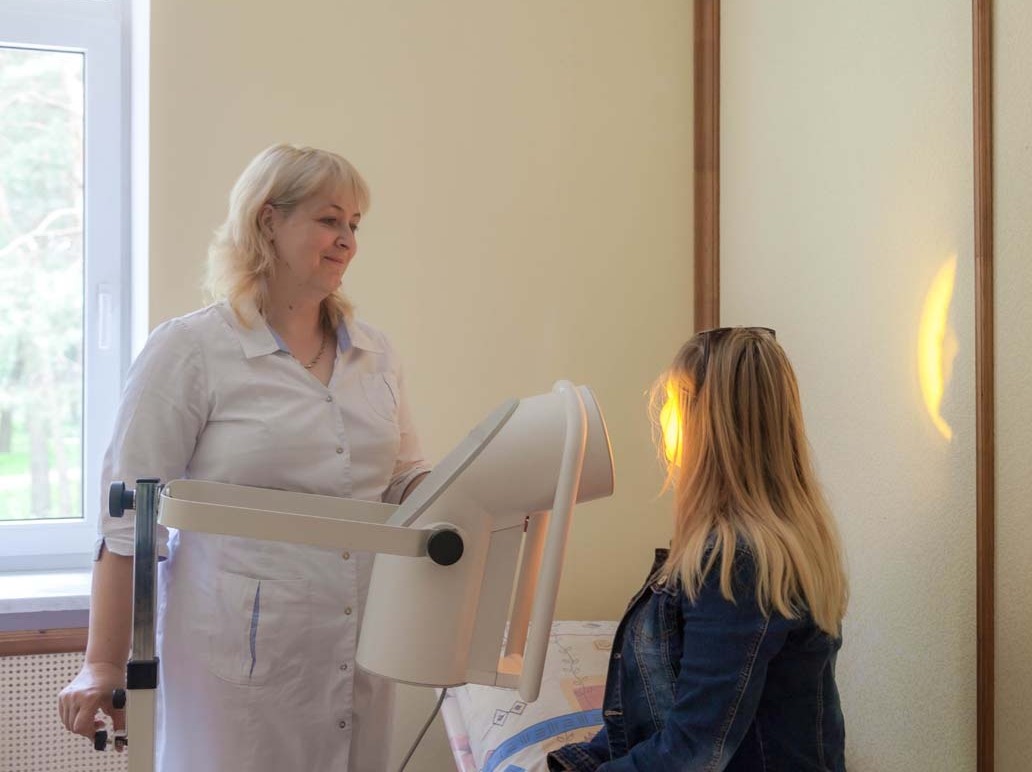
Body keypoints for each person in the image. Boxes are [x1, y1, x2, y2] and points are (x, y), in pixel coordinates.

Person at [58, 144, 431, 771]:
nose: (347, 241)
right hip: (235, 660)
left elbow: (403, 480)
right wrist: (102, 662)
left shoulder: (376, 354)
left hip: (358, 643)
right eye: (329, 220)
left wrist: (485, 494)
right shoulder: (191, 349)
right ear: (268, 221)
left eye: (354, 224)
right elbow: (129, 519)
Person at [549, 327, 849, 771]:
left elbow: (693, 749)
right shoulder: (765, 548)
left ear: (707, 427)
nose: (666, 426)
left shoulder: (738, 563)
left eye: (673, 407)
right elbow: (655, 715)